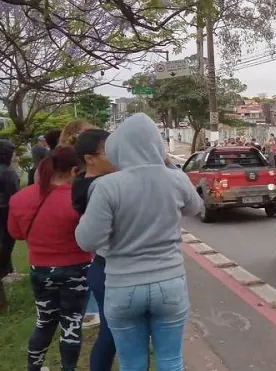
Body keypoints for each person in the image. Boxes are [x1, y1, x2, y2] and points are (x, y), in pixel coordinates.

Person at [75, 113, 203, 371]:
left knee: (132, 363)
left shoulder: (107, 186)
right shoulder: (175, 178)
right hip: (170, 282)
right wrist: (167, 166)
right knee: (171, 360)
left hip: (123, 285)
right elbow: (195, 207)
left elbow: (88, 241)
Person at [8, 146, 92, 371]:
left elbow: (15, 233)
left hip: (40, 270)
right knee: (72, 323)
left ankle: (33, 367)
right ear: (75, 170)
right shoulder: (80, 200)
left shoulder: (20, 198)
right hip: (78, 269)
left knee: (44, 322)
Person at [72, 129, 117, 371]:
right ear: (90, 158)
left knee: (111, 332)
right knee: (110, 334)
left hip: (103, 266)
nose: (116, 156)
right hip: (108, 267)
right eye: (109, 152)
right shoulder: (98, 188)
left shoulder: (84, 181)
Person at [0, 140, 20, 280]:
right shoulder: (8, 173)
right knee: (6, 243)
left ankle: (8, 269)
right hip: (5, 213)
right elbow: (15, 196)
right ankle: (5, 272)